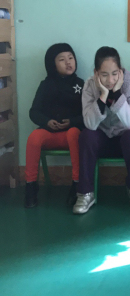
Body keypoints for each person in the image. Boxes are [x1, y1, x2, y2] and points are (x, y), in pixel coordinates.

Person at [74, 46, 130, 214]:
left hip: (125, 140)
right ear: (96, 73)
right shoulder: (89, 85)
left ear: (120, 71)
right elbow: (90, 124)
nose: (110, 80)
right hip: (103, 140)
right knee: (86, 136)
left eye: (115, 74)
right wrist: (103, 96)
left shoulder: (129, 83)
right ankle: (86, 193)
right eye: (104, 74)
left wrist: (117, 93)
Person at [25, 43, 85, 208]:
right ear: (52, 64)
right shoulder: (46, 85)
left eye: (70, 58)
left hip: (71, 133)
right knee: (34, 137)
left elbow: (88, 114)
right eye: (62, 59)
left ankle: (77, 184)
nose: (68, 62)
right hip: (50, 133)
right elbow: (34, 112)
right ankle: (30, 185)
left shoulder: (81, 85)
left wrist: (72, 122)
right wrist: (47, 122)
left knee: (74, 133)